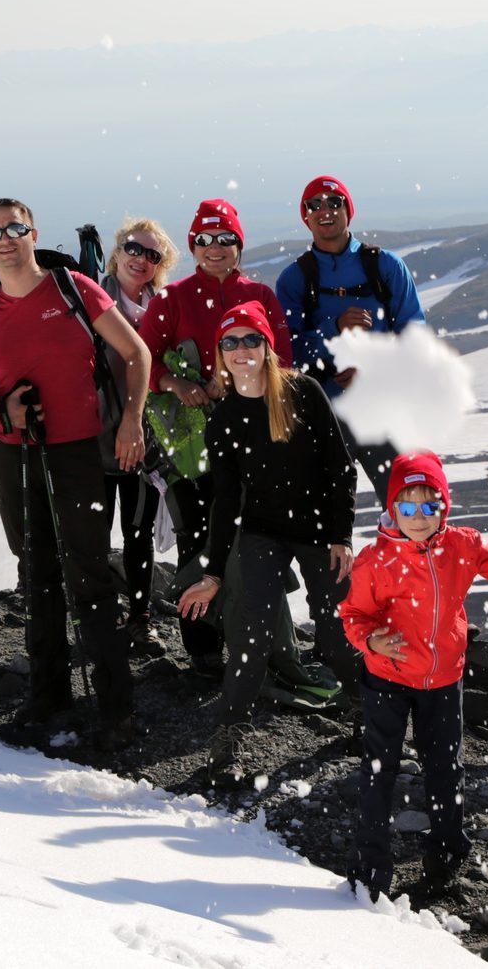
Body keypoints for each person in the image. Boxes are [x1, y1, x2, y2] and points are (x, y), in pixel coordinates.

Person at [0, 197, 151, 749]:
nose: (6, 238)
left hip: (74, 453)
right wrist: (2, 410)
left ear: (32, 232)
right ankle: (49, 697)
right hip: (12, 453)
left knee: (87, 573)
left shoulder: (73, 290)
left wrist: (131, 421)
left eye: (15, 227)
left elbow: (135, 353)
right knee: (35, 570)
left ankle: (116, 708)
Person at [341, 450, 488, 900]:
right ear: (393, 508)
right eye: (408, 506)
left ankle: (446, 856)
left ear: (444, 508)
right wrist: (371, 641)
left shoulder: (461, 545)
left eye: (429, 505)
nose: (419, 517)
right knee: (380, 770)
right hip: (387, 680)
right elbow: (353, 613)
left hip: (443, 679)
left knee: (445, 769)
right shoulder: (375, 560)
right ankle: (369, 868)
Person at [176, 301, 358, 782]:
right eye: (231, 342)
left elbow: (339, 467)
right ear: (220, 353)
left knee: (336, 633)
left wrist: (342, 535)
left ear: (267, 347)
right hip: (261, 534)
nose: (241, 350)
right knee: (250, 634)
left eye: (251, 339)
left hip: (319, 532)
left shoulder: (303, 393)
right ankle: (229, 736)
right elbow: (225, 501)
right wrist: (214, 572)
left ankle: (370, 719)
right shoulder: (224, 418)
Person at [140, 199, 292, 677]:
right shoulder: (173, 299)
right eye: (203, 241)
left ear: (238, 244)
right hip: (191, 448)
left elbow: (281, 363)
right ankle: (204, 651)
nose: (214, 248)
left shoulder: (261, 296)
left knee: (256, 540)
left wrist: (237, 383)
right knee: (198, 541)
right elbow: (142, 361)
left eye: (224, 238)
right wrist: (175, 384)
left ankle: (257, 646)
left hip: (253, 441)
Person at [275, 175, 425, 500]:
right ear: (306, 217)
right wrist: (334, 328)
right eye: (314, 205)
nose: (324, 210)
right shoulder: (295, 279)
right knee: (324, 523)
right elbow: (287, 355)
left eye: (334, 202)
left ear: (348, 210)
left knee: (406, 507)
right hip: (323, 417)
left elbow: (415, 342)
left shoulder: (386, 267)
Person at [95, 216, 179, 658]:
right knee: (92, 532)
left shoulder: (163, 310)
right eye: (134, 248)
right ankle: (98, 617)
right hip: (91, 440)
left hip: (142, 444)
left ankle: (140, 618)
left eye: (153, 254)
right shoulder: (88, 299)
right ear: (117, 251)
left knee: (137, 532)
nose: (141, 259)